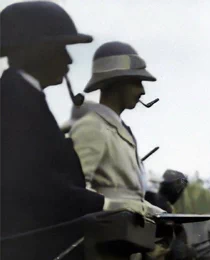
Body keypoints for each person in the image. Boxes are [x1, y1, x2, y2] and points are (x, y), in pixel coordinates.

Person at [0, 1, 105, 241]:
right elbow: (35, 186)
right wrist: (107, 203)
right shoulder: (14, 102)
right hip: (27, 250)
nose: (69, 60)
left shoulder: (25, 97)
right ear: (37, 51)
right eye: (61, 49)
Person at [69, 41, 156, 202]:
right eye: (136, 82)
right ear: (117, 82)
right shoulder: (92, 127)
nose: (142, 91)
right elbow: (75, 190)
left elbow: (133, 199)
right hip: (107, 226)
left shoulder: (117, 130)